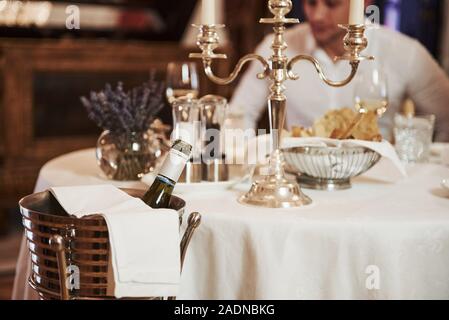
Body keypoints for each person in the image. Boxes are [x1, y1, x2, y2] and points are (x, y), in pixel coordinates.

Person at [229, 0, 449, 141]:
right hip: (299, 183)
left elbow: (445, 120)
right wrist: (253, 159)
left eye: (331, 4)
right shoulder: (276, 47)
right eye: (311, 2)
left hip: (376, 188)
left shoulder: (404, 52)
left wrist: (419, 170)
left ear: (364, 3)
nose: (317, 15)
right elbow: (237, 116)